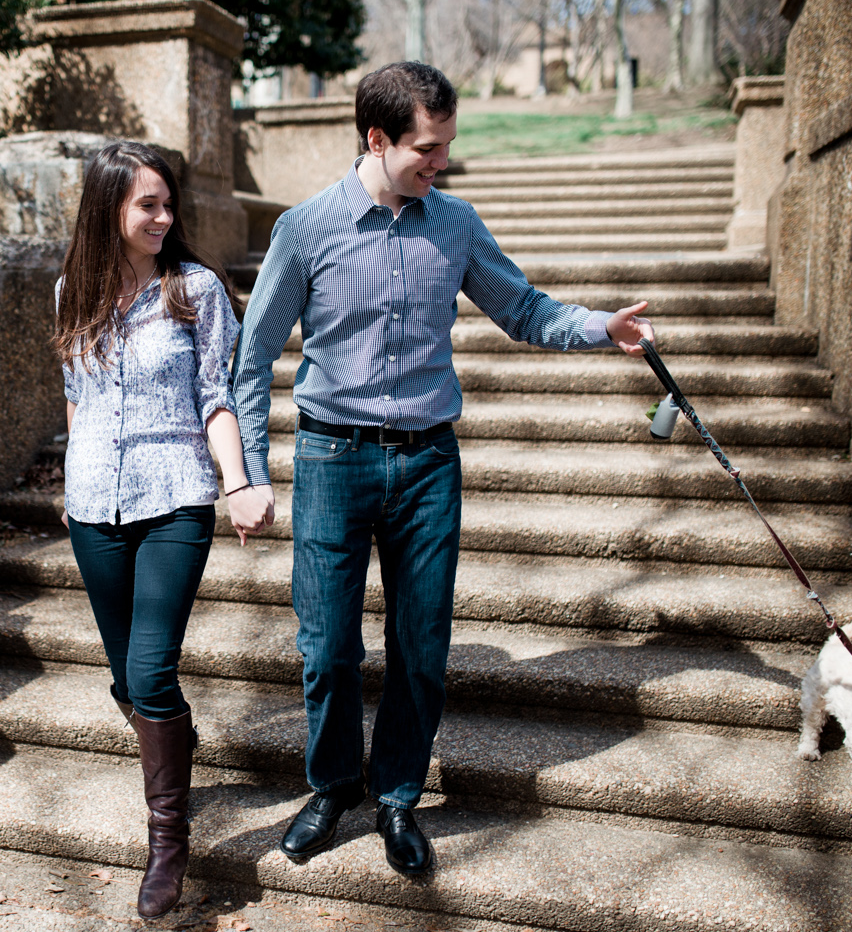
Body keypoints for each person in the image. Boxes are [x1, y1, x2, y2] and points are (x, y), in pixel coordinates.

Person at [229, 62, 656, 875]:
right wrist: (246, 473)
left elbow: (525, 309)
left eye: (448, 146)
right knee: (326, 648)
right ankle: (332, 785)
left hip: (429, 462)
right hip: (331, 458)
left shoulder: (454, 225)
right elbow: (252, 363)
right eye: (428, 148)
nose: (442, 163)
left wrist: (601, 326)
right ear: (377, 137)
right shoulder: (305, 229)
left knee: (422, 644)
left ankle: (396, 795)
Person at [55, 141, 269, 918]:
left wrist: (238, 482)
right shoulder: (70, 289)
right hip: (94, 508)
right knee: (128, 681)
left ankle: (167, 842)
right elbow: (76, 398)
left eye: (167, 203)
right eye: (147, 203)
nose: (163, 217)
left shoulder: (198, 289)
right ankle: (172, 738)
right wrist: (73, 482)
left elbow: (218, 396)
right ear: (108, 205)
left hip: (176, 496)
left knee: (149, 675)